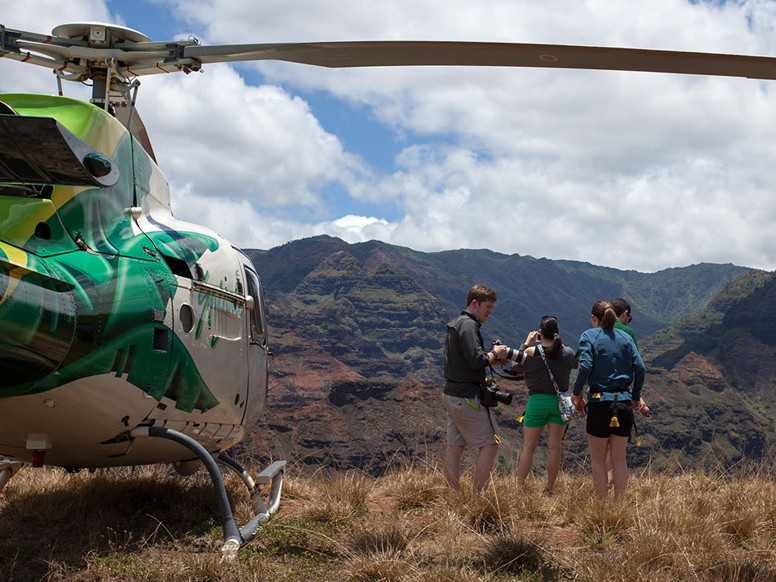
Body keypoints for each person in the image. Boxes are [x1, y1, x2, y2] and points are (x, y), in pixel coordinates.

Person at [571, 300, 646, 499]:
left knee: (598, 459)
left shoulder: (589, 336)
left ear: (594, 318)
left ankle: (602, 507)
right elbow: (640, 367)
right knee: (619, 459)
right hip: (623, 403)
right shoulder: (625, 337)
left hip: (599, 402)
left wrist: (576, 393)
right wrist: (636, 396)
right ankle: (619, 506)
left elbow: (585, 366)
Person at [443, 284, 509, 491]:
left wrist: (491, 361)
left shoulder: (456, 323)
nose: (489, 312)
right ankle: (477, 497)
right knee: (490, 444)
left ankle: (452, 495)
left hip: (452, 394)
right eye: (487, 307)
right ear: (474, 303)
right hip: (468, 397)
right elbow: (476, 360)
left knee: (455, 447)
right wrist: (495, 353)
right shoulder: (469, 326)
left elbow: (466, 360)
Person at [505, 316, 578, 494]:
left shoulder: (532, 352)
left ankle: (519, 489)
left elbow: (514, 366)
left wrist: (525, 344)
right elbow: (576, 365)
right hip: (559, 404)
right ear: (557, 332)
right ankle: (549, 489)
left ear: (539, 333)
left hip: (537, 402)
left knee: (529, 447)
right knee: (554, 447)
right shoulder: (567, 352)